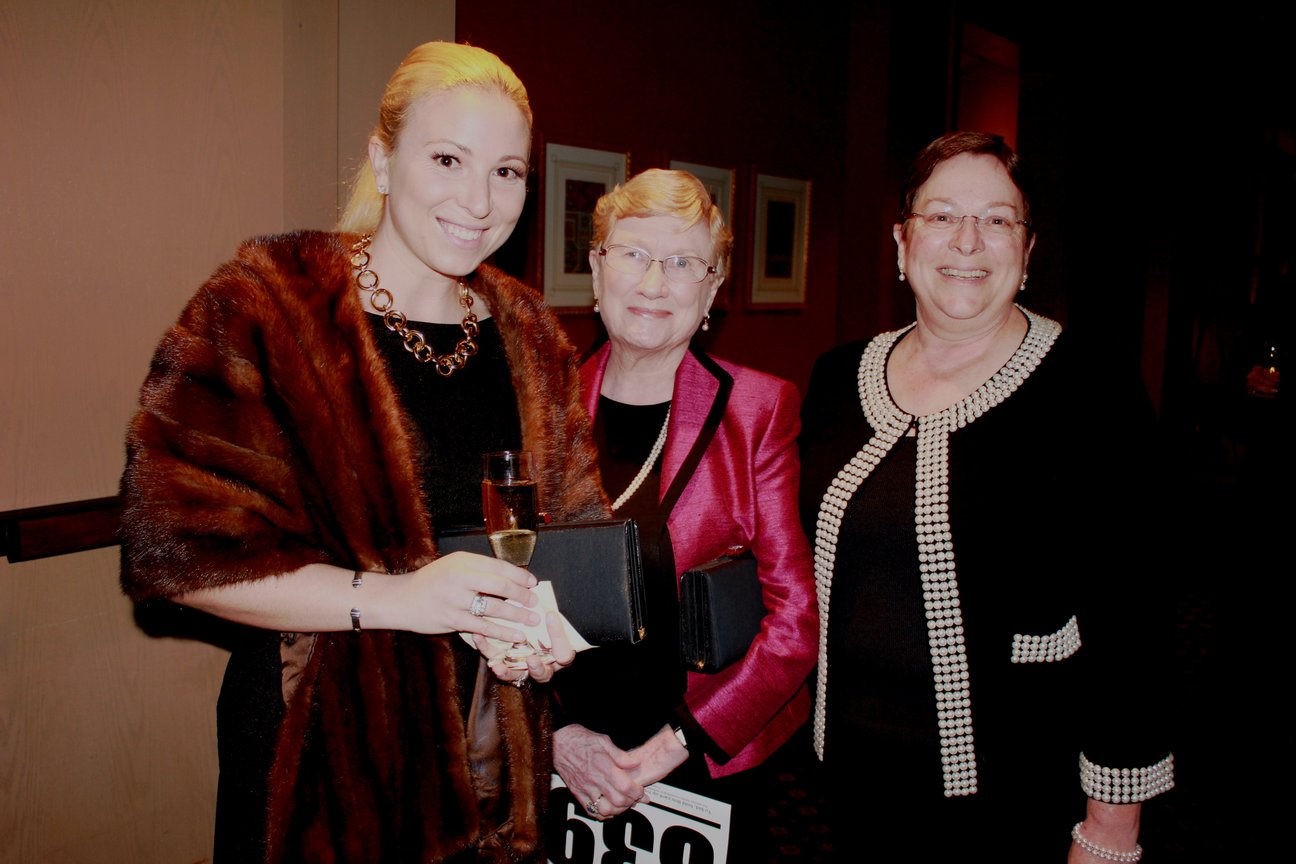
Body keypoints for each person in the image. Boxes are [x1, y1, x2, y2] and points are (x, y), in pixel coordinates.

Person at [119, 42, 606, 863]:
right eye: (448, 159)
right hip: (320, 767)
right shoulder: (270, 308)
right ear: (382, 160)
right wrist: (401, 599)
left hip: (492, 760)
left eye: (507, 172)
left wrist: (555, 628)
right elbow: (175, 553)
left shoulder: (530, 335)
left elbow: (573, 536)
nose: (479, 201)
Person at [799, 132, 1174, 861]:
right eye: (941, 217)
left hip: (1017, 791)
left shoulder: (1092, 390)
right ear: (903, 242)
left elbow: (1136, 624)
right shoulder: (838, 378)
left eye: (998, 220)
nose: (968, 241)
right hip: (851, 780)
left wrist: (1110, 828)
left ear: (1028, 253)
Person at [550, 169, 818, 855]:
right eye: (633, 254)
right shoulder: (541, 406)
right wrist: (556, 736)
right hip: (567, 758)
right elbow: (496, 591)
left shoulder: (757, 410)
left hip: (703, 764)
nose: (652, 282)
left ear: (713, 287)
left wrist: (676, 743)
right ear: (595, 266)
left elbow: (794, 624)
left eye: (682, 263)